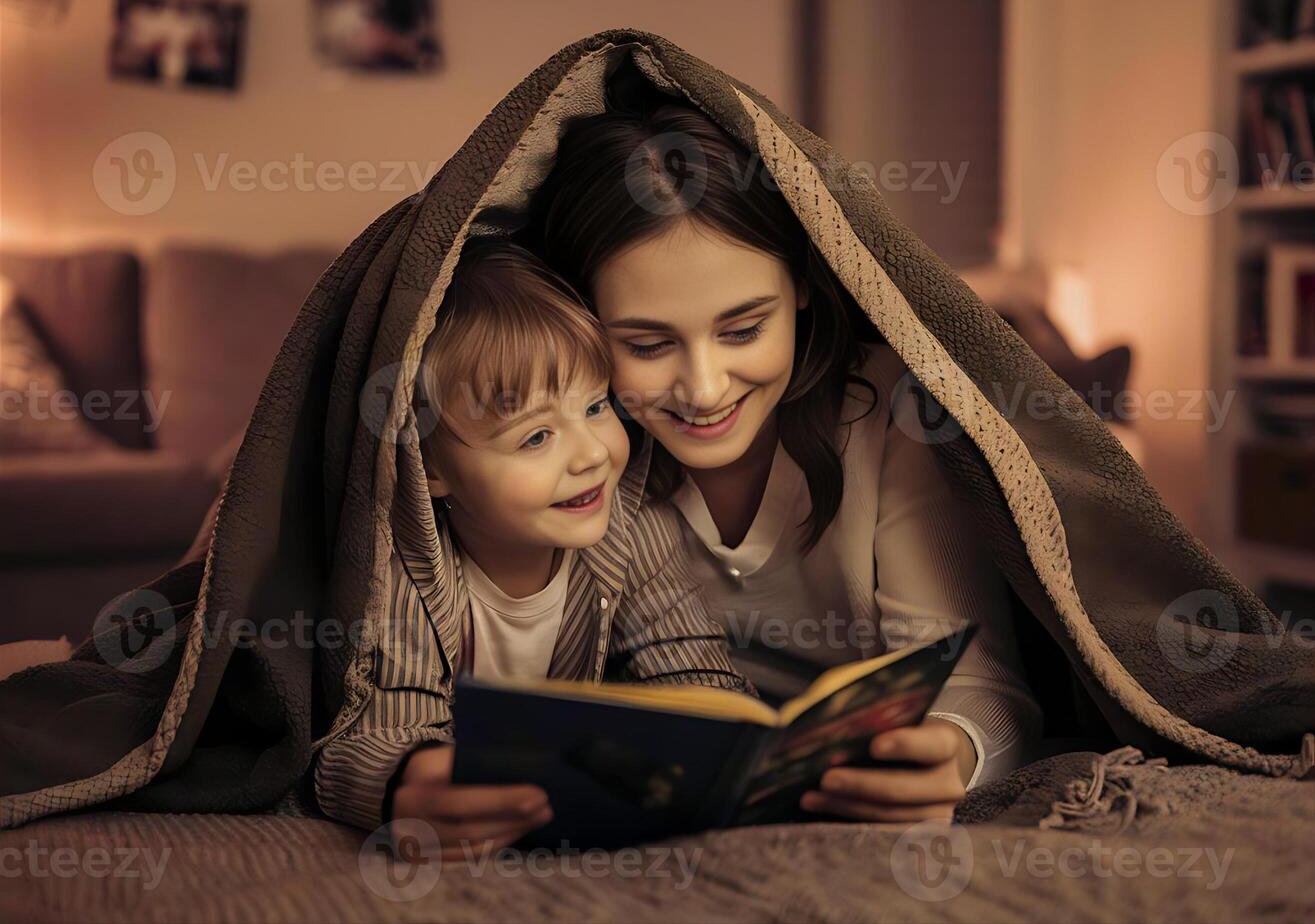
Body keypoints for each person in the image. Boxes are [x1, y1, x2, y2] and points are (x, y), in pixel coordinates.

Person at [526, 69, 1043, 823]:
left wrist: (949, 752)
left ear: (803, 285)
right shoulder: (567, 451)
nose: (703, 389)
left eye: (742, 330)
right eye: (645, 342)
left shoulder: (889, 409)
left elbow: (976, 681)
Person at [313, 241, 750, 858]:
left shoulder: (634, 528)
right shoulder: (407, 570)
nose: (593, 453)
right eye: (537, 436)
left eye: (597, 406)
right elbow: (382, 729)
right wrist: (413, 783)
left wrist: (729, 738)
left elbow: (691, 668)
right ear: (427, 468)